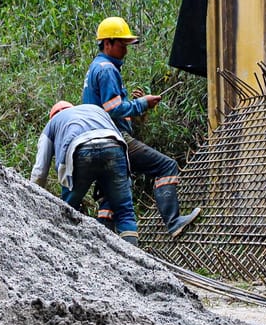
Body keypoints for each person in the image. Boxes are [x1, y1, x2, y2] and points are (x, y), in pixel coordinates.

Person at [82, 16, 200, 238]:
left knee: (110, 192)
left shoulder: (95, 67)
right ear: (107, 43)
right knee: (166, 166)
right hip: (113, 137)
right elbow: (114, 108)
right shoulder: (107, 69)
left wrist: (137, 107)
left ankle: (101, 237)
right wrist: (142, 103)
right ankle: (173, 222)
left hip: (93, 139)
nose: (125, 51)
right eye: (121, 45)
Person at [30, 101, 139, 245]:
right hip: (114, 145)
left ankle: (68, 250)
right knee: (125, 212)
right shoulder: (95, 109)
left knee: (67, 211)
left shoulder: (52, 124)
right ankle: (134, 259)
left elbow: (39, 172)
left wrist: (31, 198)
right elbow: (118, 137)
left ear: (52, 116)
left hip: (79, 150)